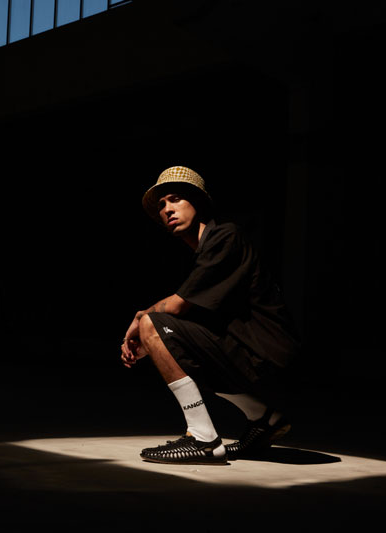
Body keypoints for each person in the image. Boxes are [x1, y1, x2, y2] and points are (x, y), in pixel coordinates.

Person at [121, 166, 301, 465]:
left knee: (153, 322)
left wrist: (141, 321)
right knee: (167, 334)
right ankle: (264, 418)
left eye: (175, 199)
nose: (167, 209)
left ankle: (203, 438)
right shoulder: (205, 251)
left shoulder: (225, 237)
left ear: (198, 202)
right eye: (162, 205)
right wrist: (154, 342)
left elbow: (176, 307)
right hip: (254, 356)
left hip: (267, 357)